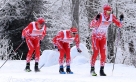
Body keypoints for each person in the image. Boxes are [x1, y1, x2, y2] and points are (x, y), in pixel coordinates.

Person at [89, 4, 124, 76]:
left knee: (103, 54)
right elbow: (91, 25)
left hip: (103, 37)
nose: (109, 12)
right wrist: (96, 19)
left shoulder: (111, 17)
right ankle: (92, 69)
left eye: (110, 11)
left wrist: (121, 20)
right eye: (108, 11)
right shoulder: (100, 16)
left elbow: (119, 25)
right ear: (104, 11)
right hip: (95, 36)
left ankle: (102, 70)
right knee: (95, 53)